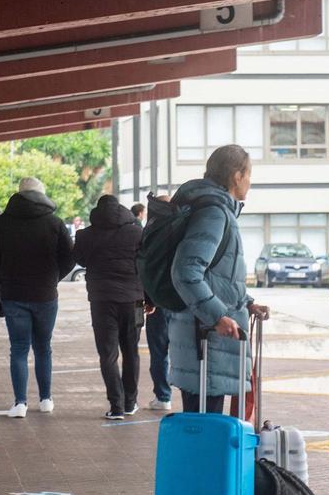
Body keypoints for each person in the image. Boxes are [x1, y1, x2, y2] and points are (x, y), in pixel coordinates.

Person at [167, 145, 268, 414]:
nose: (250, 182)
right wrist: (217, 316)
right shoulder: (213, 212)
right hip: (206, 343)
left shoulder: (212, 208)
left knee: (204, 425)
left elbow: (219, 274)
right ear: (237, 176)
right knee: (205, 427)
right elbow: (186, 272)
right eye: (248, 174)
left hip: (206, 340)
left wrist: (246, 302)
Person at [0, 177, 74, 418]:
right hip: (45, 294)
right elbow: (69, 257)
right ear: (42, 195)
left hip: (13, 294)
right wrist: (53, 277)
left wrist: (2, 279)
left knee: (19, 349)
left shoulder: (1, 223)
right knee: (43, 347)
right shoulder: (54, 222)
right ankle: (46, 399)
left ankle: (20, 403)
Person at [74, 195, 144, 419]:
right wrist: (150, 300)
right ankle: (130, 402)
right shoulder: (138, 232)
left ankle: (116, 406)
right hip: (135, 300)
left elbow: (80, 260)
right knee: (132, 351)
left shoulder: (85, 235)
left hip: (101, 300)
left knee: (108, 354)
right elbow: (146, 265)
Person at [142, 195, 173, 411]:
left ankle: (163, 396)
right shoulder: (185, 228)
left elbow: (145, 269)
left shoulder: (150, 233)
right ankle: (191, 396)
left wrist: (148, 299)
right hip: (184, 301)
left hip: (159, 302)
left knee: (159, 351)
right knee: (186, 351)